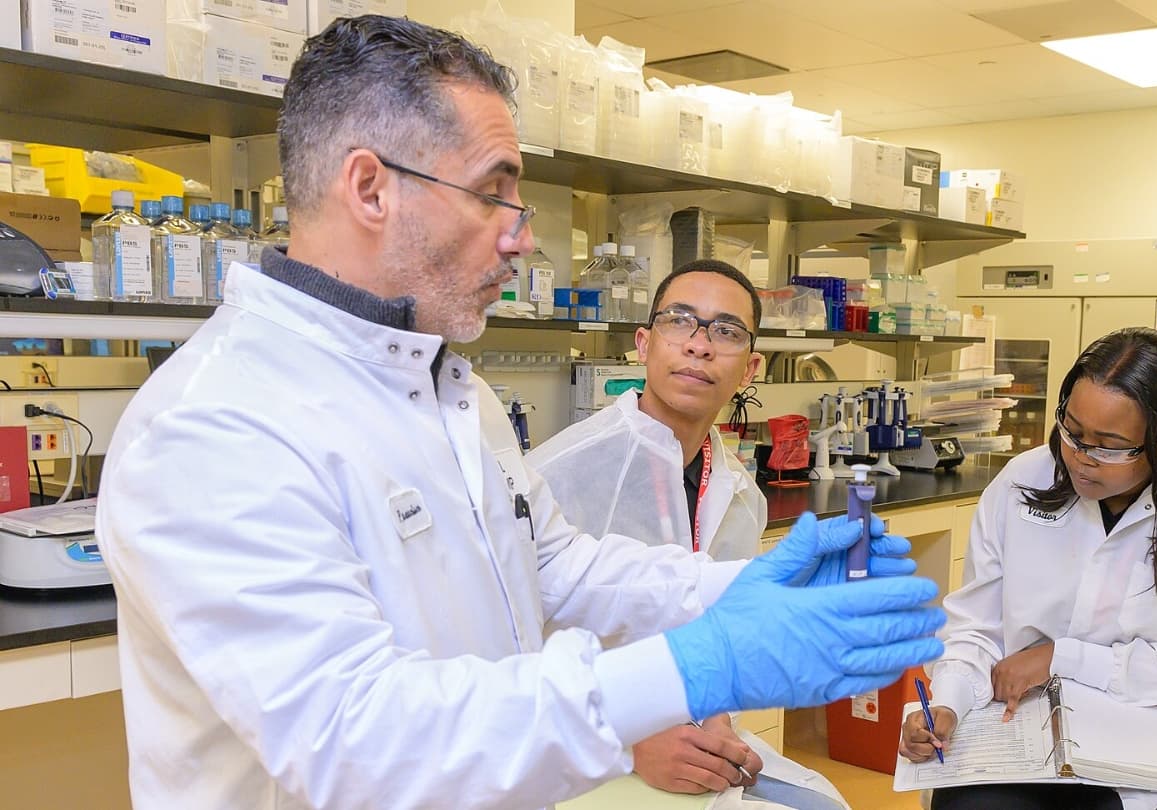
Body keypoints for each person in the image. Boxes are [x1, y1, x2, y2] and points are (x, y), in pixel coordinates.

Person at [95, 16, 944, 810]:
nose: (522, 236)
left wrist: (740, 588)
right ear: (370, 187)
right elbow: (354, 738)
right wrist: (691, 668)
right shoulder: (216, 424)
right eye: (493, 193)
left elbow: (554, 566)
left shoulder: (441, 385)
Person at [898, 327, 1157, 810]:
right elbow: (978, 628)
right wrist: (947, 702)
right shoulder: (1022, 480)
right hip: (1024, 730)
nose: (1080, 457)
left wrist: (1061, 658)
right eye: (1072, 430)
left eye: (1110, 444)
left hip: (1152, 735)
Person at [527, 259, 846, 808]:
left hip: (693, 746)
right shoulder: (557, 474)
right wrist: (626, 738)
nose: (699, 345)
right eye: (680, 322)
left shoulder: (742, 495)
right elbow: (507, 653)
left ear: (750, 369)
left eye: (726, 331)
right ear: (644, 344)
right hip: (576, 752)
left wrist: (717, 724)